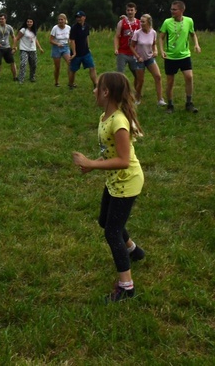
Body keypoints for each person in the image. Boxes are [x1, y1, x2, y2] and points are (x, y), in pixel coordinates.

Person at [72, 72, 145, 302]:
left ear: (106, 92)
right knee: (106, 221)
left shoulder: (119, 122)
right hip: (115, 179)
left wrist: (91, 163)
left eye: (97, 88)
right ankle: (133, 250)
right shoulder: (105, 116)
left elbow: (124, 160)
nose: (93, 91)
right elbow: (111, 153)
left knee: (112, 231)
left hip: (127, 181)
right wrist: (95, 166)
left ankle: (127, 287)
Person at [158, 0, 201, 113]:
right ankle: (170, 105)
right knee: (170, 81)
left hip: (184, 55)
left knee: (189, 77)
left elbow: (193, 34)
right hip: (170, 57)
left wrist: (196, 44)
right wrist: (162, 50)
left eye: (174, 9)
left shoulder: (189, 21)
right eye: (171, 9)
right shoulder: (167, 22)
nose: (172, 11)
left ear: (181, 10)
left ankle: (189, 103)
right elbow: (161, 37)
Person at [130, 14, 165, 105]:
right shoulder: (137, 33)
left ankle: (160, 99)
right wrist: (138, 57)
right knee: (140, 80)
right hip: (139, 59)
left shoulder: (153, 33)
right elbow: (132, 46)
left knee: (158, 76)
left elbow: (154, 44)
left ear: (148, 22)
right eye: (140, 21)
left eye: (143, 21)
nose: (141, 23)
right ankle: (137, 99)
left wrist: (156, 51)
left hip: (149, 58)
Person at [68, 11, 98, 89]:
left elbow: (87, 37)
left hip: (85, 52)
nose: (78, 19)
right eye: (77, 17)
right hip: (76, 54)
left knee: (92, 67)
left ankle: (96, 84)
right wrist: (74, 53)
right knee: (73, 70)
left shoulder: (86, 26)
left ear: (84, 17)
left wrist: (88, 47)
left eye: (80, 17)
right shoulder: (74, 28)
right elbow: (72, 40)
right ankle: (71, 84)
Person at [13, 18, 44, 83]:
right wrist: (14, 47)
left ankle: (32, 77)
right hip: (24, 49)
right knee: (23, 63)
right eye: (28, 22)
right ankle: (21, 79)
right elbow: (16, 38)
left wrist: (40, 48)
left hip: (32, 50)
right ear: (26, 22)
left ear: (33, 23)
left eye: (31, 22)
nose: (29, 23)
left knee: (33, 64)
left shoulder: (34, 30)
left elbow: (35, 40)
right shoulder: (23, 30)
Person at [114, 3, 140, 80]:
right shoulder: (121, 23)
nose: (130, 12)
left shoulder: (139, 23)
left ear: (135, 11)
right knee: (120, 75)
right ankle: (121, 91)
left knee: (138, 76)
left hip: (134, 53)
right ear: (126, 11)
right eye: (128, 10)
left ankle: (137, 91)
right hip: (123, 52)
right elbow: (116, 36)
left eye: (132, 10)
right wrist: (116, 48)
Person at [50, 13, 72, 87]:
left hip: (65, 47)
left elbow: (70, 38)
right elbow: (51, 40)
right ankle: (56, 82)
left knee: (70, 63)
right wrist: (57, 44)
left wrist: (70, 42)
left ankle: (70, 82)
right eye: (59, 20)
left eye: (62, 19)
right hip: (56, 48)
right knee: (57, 67)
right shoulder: (55, 28)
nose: (60, 21)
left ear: (65, 20)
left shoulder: (68, 28)